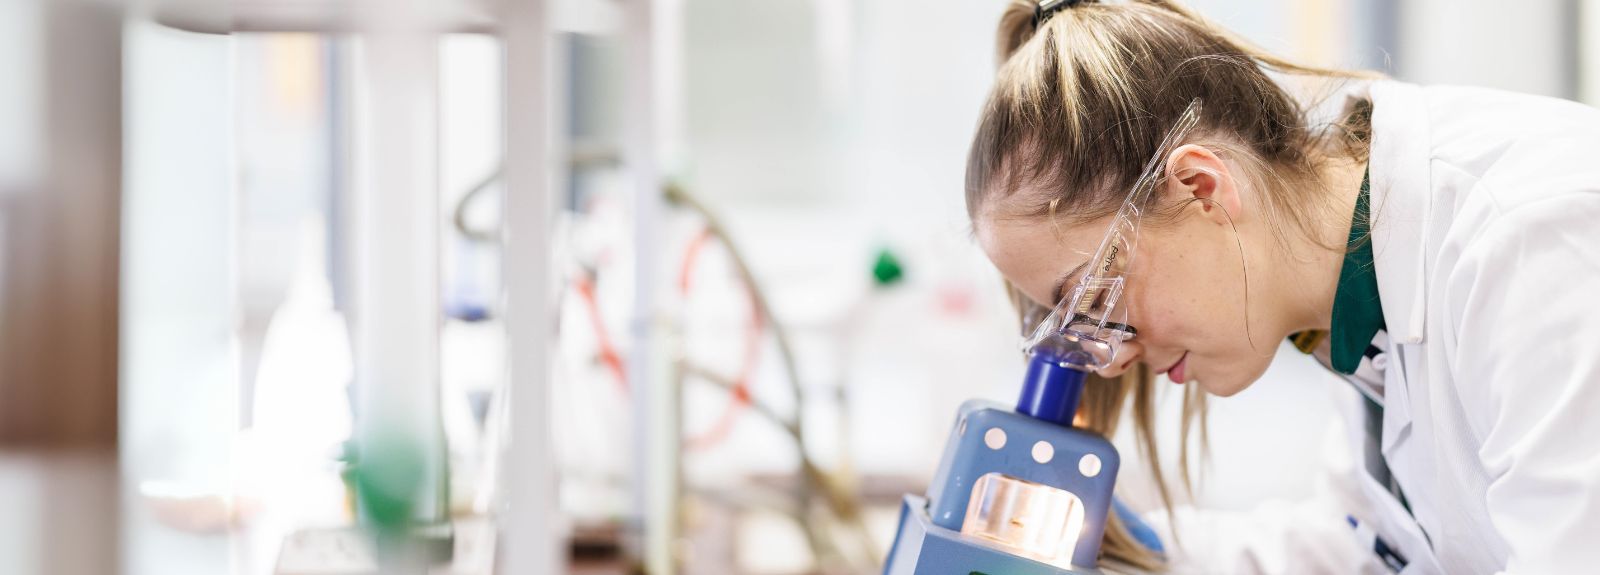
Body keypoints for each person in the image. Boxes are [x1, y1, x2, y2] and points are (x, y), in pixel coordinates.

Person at [964, 0, 1600, 572]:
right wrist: (1122, 548)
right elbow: (1368, 547)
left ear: (1200, 189)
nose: (1111, 361)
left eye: (1097, 301)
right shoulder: (1348, 301)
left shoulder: (1530, 239)